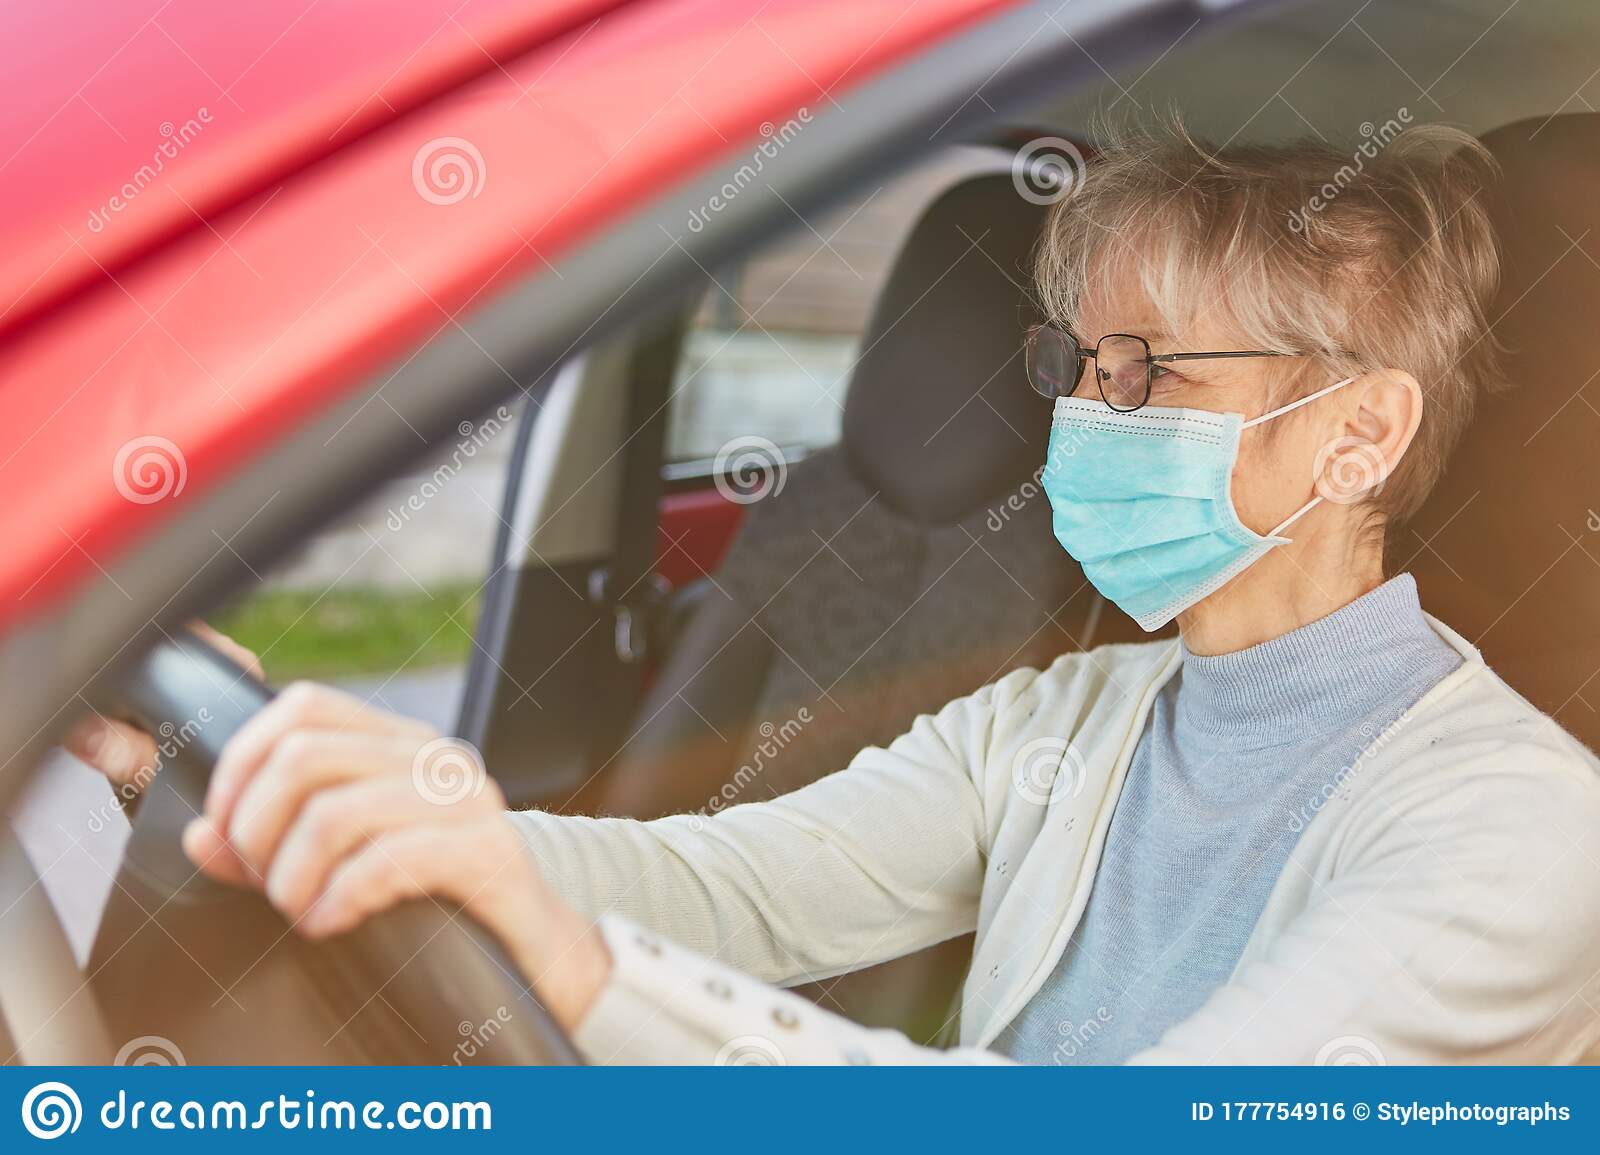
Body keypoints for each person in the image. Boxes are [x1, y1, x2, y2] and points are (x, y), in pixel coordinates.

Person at [71, 122, 1600, 1064]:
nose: (1084, 414)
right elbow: (732, 885)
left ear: (1362, 435)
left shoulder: (1520, 830)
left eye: (1151, 373)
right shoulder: (1065, 718)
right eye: (1076, 364)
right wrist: (267, 791)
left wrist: (579, 972)